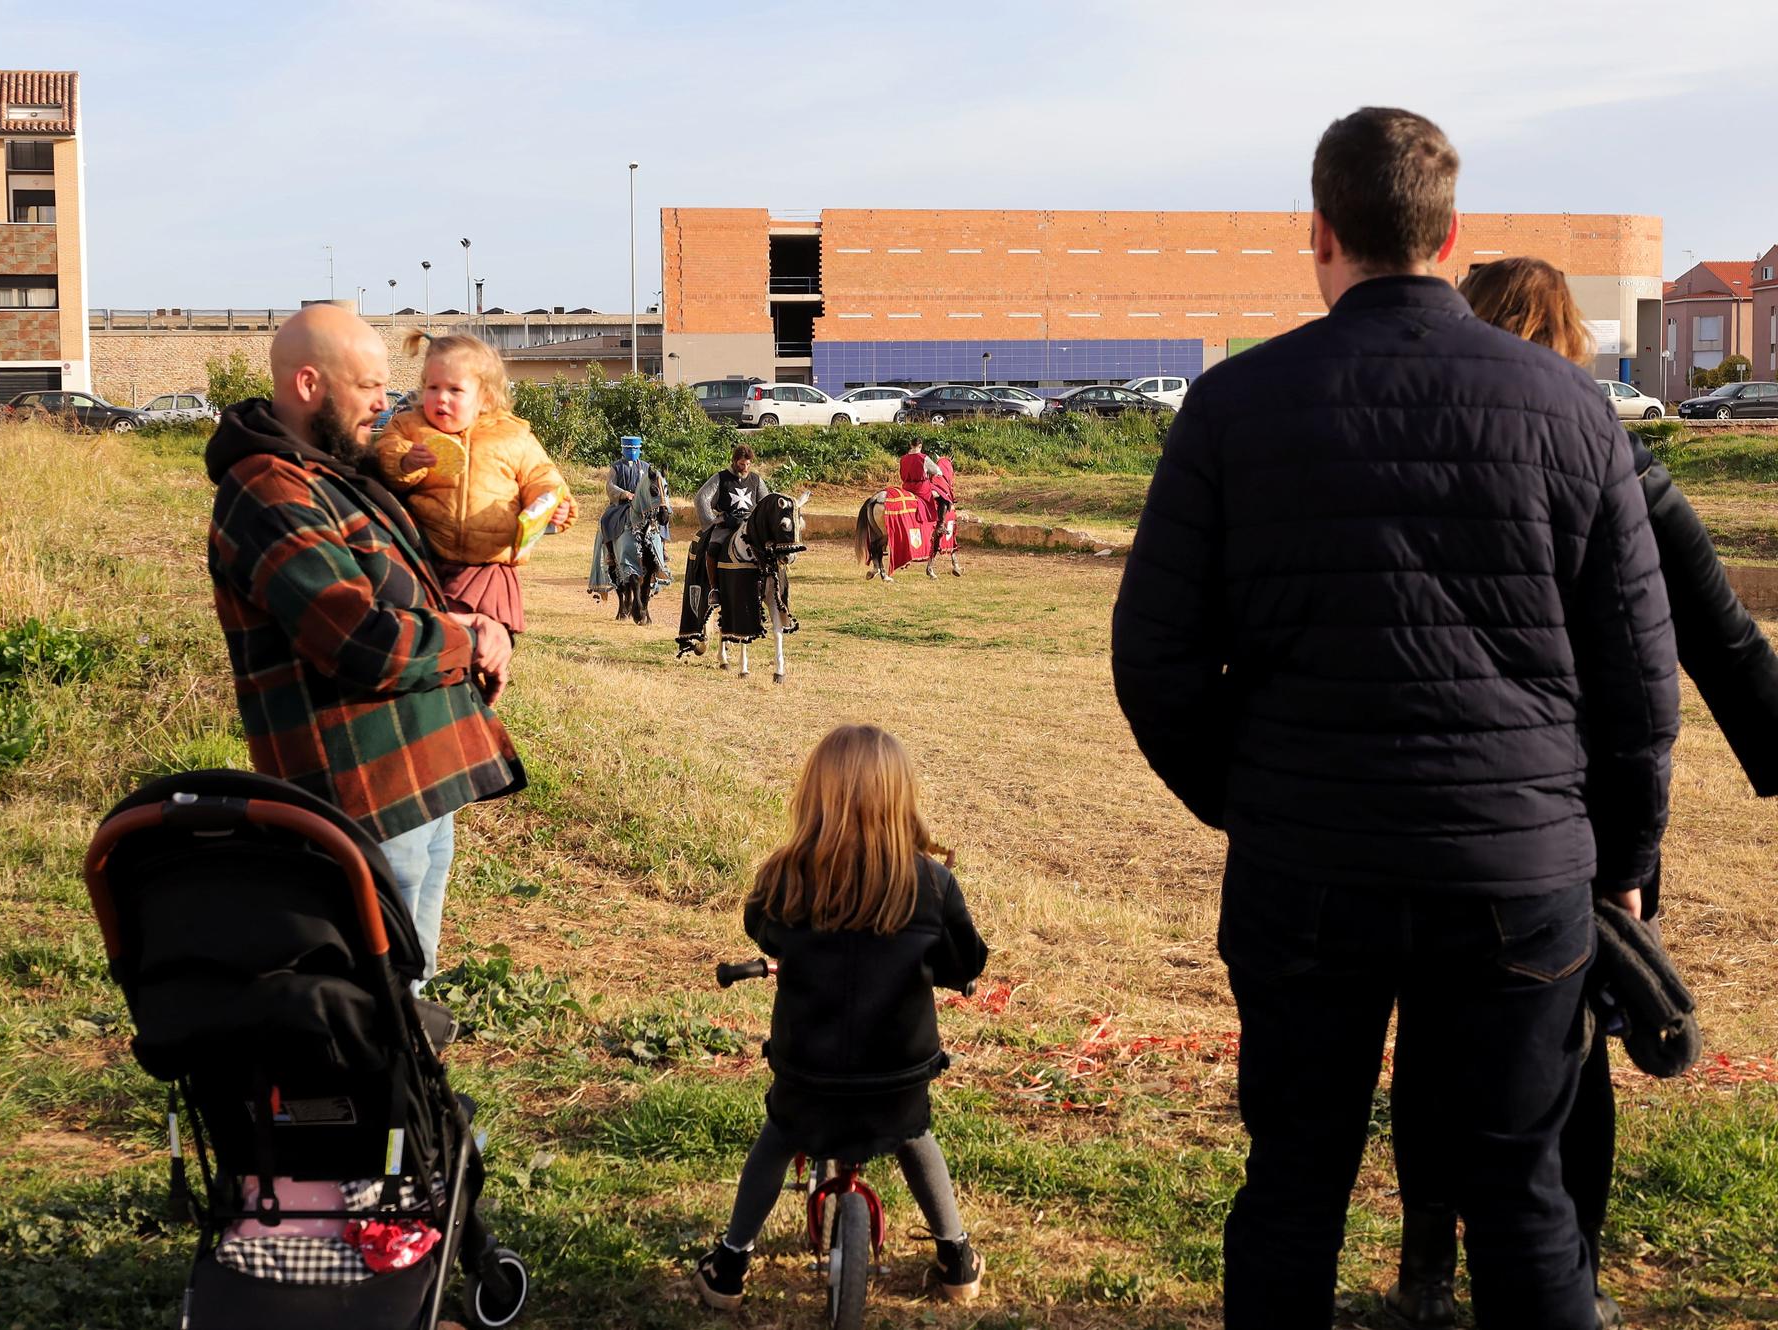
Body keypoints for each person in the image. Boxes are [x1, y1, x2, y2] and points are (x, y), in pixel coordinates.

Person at [1110, 108, 1679, 1330]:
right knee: (1523, 1196)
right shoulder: (1574, 412)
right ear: (1448, 232)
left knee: (1293, 1185)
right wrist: (1624, 861)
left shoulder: (1229, 408)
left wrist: (1256, 797)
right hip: (1516, 869)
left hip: (1306, 869)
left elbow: (1153, 659)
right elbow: (1639, 680)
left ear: (1315, 232)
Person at [1385, 256, 1778, 1330]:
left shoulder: (1416, 469)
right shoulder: (1619, 475)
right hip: (1575, 824)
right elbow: (1726, 645)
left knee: (1431, 1025)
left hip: (1432, 815)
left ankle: (1427, 1265)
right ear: (1571, 350)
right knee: (1560, 1052)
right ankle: (1570, 1271)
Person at [205, 305, 526, 992]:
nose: (388, 403)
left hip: (418, 777)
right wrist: (466, 637)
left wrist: (478, 626)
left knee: (411, 984)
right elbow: (356, 638)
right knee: (378, 989)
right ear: (308, 385)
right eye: (368, 386)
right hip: (366, 791)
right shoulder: (267, 488)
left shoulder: (327, 473)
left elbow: (408, 598)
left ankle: (409, 1093)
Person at [691, 724, 988, 1311]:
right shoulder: (932, 882)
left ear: (814, 796)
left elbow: (761, 931)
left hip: (809, 1074)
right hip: (897, 1075)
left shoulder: (785, 876)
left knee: (777, 1139)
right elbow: (967, 960)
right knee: (914, 1135)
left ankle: (729, 1264)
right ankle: (955, 1258)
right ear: (901, 797)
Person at [369, 332, 574, 639]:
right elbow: (385, 455)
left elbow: (542, 477)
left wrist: (553, 506)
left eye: (455, 390)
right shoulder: (410, 427)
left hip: (490, 566)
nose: (441, 398)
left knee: (483, 645)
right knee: (441, 637)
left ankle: (482, 680)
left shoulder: (511, 436)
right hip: (429, 559)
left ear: (485, 399)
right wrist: (407, 461)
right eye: (432, 387)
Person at [588, 435, 672, 599]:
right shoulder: (617, 467)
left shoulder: (647, 467)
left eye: (635, 449)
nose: (632, 451)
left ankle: (662, 549)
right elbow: (610, 486)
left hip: (643, 506)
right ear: (623, 449)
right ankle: (611, 554)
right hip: (621, 505)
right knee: (606, 520)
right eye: (629, 449)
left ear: (639, 449)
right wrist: (624, 493)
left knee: (663, 517)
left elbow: (654, 485)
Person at [693, 443, 769, 593]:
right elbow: (701, 498)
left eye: (748, 464)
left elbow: (765, 503)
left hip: (749, 524)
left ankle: (768, 584)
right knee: (713, 548)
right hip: (726, 524)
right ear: (734, 461)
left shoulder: (756, 480)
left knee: (768, 549)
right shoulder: (721, 478)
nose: (745, 468)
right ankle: (714, 588)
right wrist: (712, 522)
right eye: (741, 464)